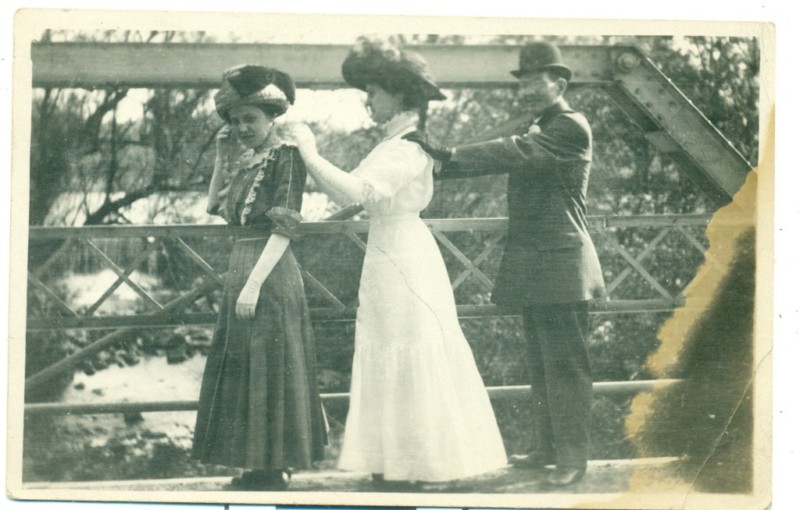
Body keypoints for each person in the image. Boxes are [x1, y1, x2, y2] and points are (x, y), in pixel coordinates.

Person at [286, 37, 508, 486]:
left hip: (405, 252)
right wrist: (309, 163)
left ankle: (417, 463)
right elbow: (348, 195)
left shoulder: (409, 147)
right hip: (388, 250)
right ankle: (392, 461)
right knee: (387, 342)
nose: (369, 101)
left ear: (399, 94)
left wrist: (310, 151)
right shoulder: (390, 144)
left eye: (374, 92)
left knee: (407, 345)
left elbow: (362, 191)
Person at [405, 41, 606, 487]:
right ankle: (547, 449)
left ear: (560, 83)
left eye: (536, 82)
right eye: (524, 83)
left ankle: (572, 459)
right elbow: (506, 155)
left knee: (566, 366)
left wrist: (448, 152)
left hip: (564, 265)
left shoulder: (569, 126)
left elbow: (514, 151)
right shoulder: (543, 126)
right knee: (541, 363)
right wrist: (434, 163)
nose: (527, 90)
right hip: (540, 265)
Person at [191, 64, 327, 491]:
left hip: (270, 271)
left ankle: (275, 468)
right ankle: (255, 467)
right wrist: (220, 158)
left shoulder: (286, 157)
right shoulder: (247, 161)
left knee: (270, 365)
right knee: (244, 367)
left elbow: (285, 226)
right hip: (242, 265)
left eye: (250, 119)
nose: (242, 128)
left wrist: (253, 284)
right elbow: (214, 206)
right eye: (235, 121)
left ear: (272, 118)